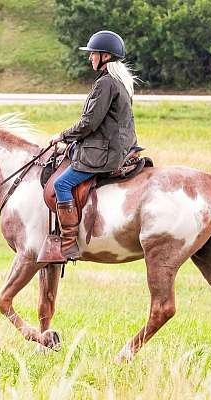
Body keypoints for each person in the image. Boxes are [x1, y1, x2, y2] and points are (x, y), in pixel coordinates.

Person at [48, 30, 139, 261]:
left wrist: (63, 136)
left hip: (105, 153)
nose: (90, 58)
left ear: (105, 56)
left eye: (93, 54)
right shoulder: (120, 81)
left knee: (61, 184)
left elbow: (89, 123)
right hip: (119, 147)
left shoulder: (106, 83)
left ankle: (68, 243)